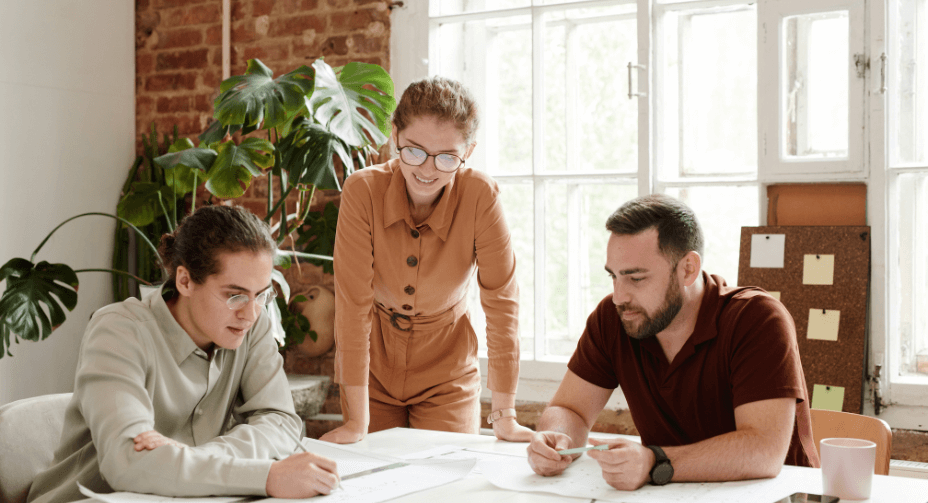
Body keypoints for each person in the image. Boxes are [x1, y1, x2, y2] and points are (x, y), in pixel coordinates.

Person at [28, 205, 339, 503]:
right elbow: (127, 463)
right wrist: (266, 476)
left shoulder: (250, 324)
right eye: (234, 296)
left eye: (261, 295)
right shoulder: (119, 332)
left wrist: (192, 459)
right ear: (185, 280)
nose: (250, 313)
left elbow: (281, 421)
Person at [527, 194, 819, 490]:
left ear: (688, 269)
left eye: (636, 278)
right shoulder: (616, 317)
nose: (619, 296)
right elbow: (570, 410)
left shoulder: (758, 319)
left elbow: (763, 451)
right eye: (613, 276)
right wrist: (556, 437)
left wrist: (654, 463)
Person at [321, 77, 533, 444]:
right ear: (394, 135)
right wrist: (356, 423)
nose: (428, 169)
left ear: (468, 152)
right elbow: (353, 305)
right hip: (373, 367)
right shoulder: (363, 190)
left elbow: (502, 304)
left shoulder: (481, 195)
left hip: (447, 370)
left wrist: (505, 416)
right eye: (414, 151)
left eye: (448, 157)